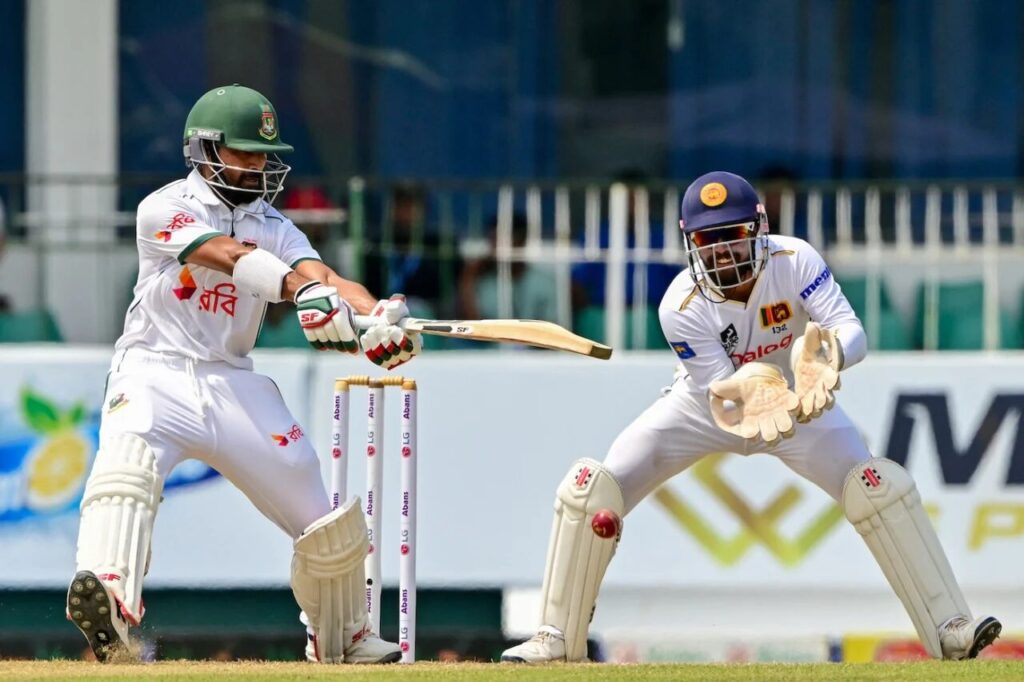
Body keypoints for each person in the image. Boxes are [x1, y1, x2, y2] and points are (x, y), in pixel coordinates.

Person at [501, 171, 1001, 663]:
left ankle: (950, 628)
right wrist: (759, 390)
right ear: (690, 244)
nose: (722, 252)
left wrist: (828, 358)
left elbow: (851, 331)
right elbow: (725, 393)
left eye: (733, 235)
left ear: (758, 229)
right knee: (589, 490)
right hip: (705, 408)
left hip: (801, 403)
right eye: (707, 241)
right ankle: (555, 637)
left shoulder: (795, 259)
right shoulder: (680, 304)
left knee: (878, 486)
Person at [66, 84, 421, 664]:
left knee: (320, 512)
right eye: (246, 153)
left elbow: (326, 277)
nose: (259, 166)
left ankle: (344, 635)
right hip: (153, 370)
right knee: (126, 472)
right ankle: (111, 603)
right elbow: (231, 257)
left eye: (264, 155)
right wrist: (301, 292)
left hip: (232, 379)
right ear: (205, 150)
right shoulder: (163, 208)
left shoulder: (273, 223)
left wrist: (375, 315)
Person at [457, 212, 557, 323]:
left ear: (522, 241)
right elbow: (473, 326)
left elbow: (552, 328)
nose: (496, 247)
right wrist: (468, 277)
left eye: (503, 239)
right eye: (493, 239)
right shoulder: (483, 284)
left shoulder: (545, 284)